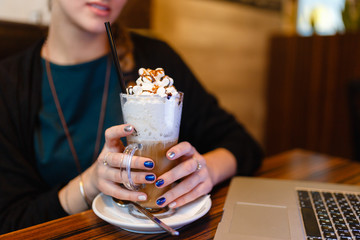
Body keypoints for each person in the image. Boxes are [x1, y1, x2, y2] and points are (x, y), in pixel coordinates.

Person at [0, 0, 263, 234]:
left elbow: (243, 144)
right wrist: (89, 184)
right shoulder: (9, 84)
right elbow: (11, 221)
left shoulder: (156, 66)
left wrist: (207, 171)